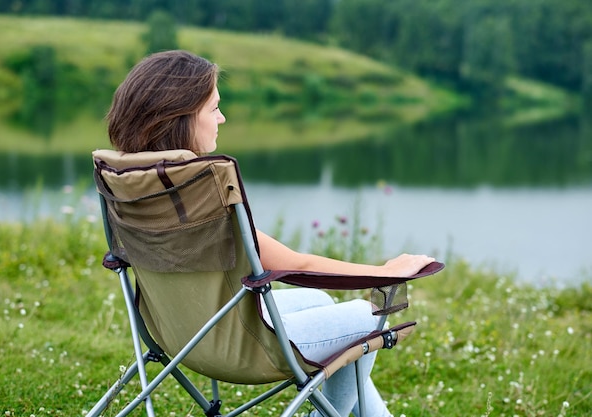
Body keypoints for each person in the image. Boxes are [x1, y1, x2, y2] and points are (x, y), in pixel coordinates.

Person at [107, 50, 435, 417]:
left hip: (176, 334)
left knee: (323, 305)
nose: (223, 118)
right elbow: (298, 265)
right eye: (214, 109)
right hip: (234, 347)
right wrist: (389, 273)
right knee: (367, 316)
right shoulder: (200, 191)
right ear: (182, 118)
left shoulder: (128, 182)